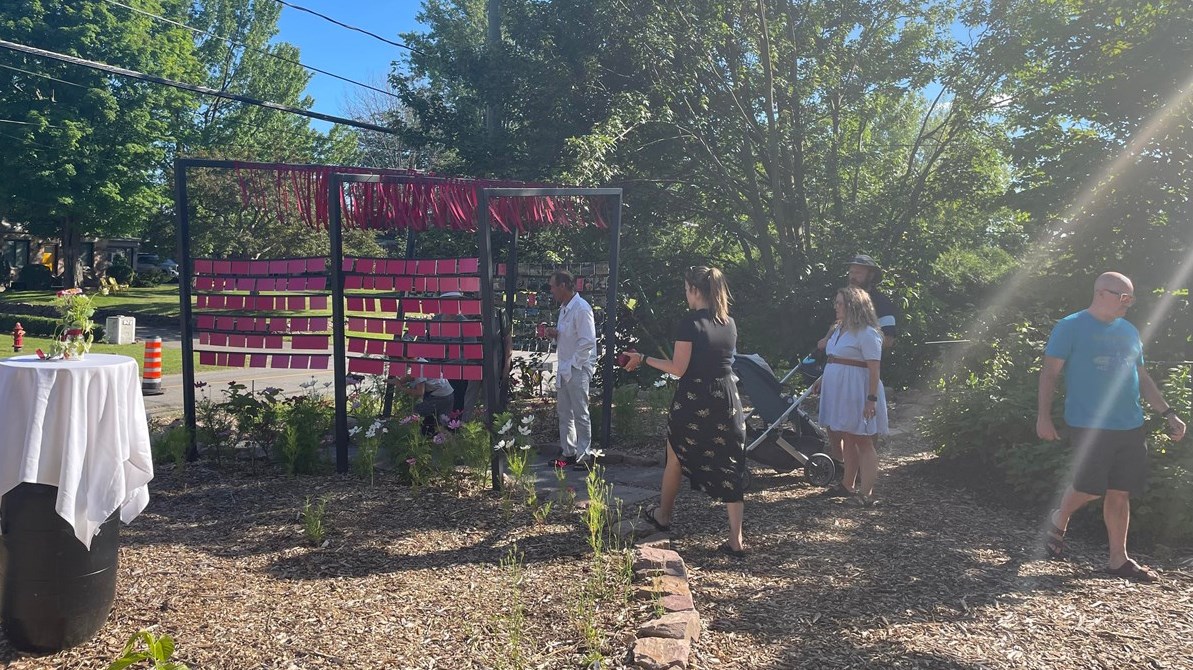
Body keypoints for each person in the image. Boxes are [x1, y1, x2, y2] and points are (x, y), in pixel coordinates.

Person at [1037, 272, 1185, 582]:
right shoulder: (1071, 326)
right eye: (1123, 297)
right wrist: (1044, 417)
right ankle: (1059, 517)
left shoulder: (1129, 331)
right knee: (1089, 488)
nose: (1128, 303)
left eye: (1131, 297)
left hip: (1130, 423)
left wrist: (1168, 413)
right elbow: (1050, 373)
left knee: (1120, 492)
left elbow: (1141, 377)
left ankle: (1119, 560)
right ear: (1101, 293)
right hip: (1088, 422)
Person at [620, 266, 749, 556]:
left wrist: (643, 358)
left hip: (695, 398)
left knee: (676, 455)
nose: (685, 295)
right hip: (727, 398)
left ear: (694, 290)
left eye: (686, 289)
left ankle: (663, 516)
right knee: (730, 463)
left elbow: (679, 368)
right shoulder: (729, 322)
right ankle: (736, 539)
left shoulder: (690, 323)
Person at [815, 253, 897, 497]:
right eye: (851, 271)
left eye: (858, 271)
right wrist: (825, 376)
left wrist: (871, 398)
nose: (853, 275)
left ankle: (866, 492)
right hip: (840, 385)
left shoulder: (877, 314)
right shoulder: (840, 327)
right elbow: (835, 356)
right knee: (847, 435)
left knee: (862, 438)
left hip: (858, 384)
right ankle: (847, 483)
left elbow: (882, 348)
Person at [545, 270, 597, 470]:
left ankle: (585, 456)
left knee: (580, 412)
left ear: (563, 286)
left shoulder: (582, 308)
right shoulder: (564, 308)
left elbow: (588, 341)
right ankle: (568, 453)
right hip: (565, 366)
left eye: (553, 286)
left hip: (577, 367)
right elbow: (570, 336)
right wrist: (555, 334)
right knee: (565, 413)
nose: (551, 290)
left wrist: (574, 364)